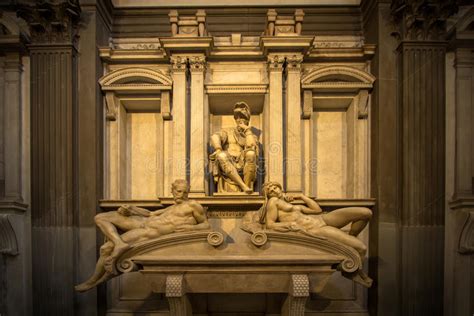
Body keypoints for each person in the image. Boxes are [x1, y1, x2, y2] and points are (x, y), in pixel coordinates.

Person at [75, 179, 210, 292]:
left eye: (185, 192)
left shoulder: (193, 205)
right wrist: (131, 209)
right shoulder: (171, 208)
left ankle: (92, 281)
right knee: (100, 217)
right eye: (179, 191)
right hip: (143, 223)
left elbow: (206, 225)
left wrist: (189, 227)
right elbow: (150, 214)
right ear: (173, 191)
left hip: (149, 232)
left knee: (106, 249)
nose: (182, 194)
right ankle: (119, 243)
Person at [259, 181, 373, 286]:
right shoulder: (273, 202)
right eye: (270, 191)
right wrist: (288, 225)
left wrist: (301, 196)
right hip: (315, 229)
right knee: (361, 248)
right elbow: (270, 224)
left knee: (365, 212)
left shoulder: (293, 205)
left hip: (323, 219)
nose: (274, 191)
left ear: (280, 188)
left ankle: (351, 237)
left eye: (275, 187)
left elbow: (317, 210)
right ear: (267, 195)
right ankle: (354, 272)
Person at [209, 101, 258, 193]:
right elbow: (215, 136)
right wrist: (218, 148)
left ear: (247, 120)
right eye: (237, 118)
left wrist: (247, 130)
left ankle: (246, 188)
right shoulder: (228, 131)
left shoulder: (251, 135)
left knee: (251, 154)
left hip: (243, 162)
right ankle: (243, 186)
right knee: (221, 156)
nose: (239, 120)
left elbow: (251, 146)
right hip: (228, 161)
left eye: (242, 117)